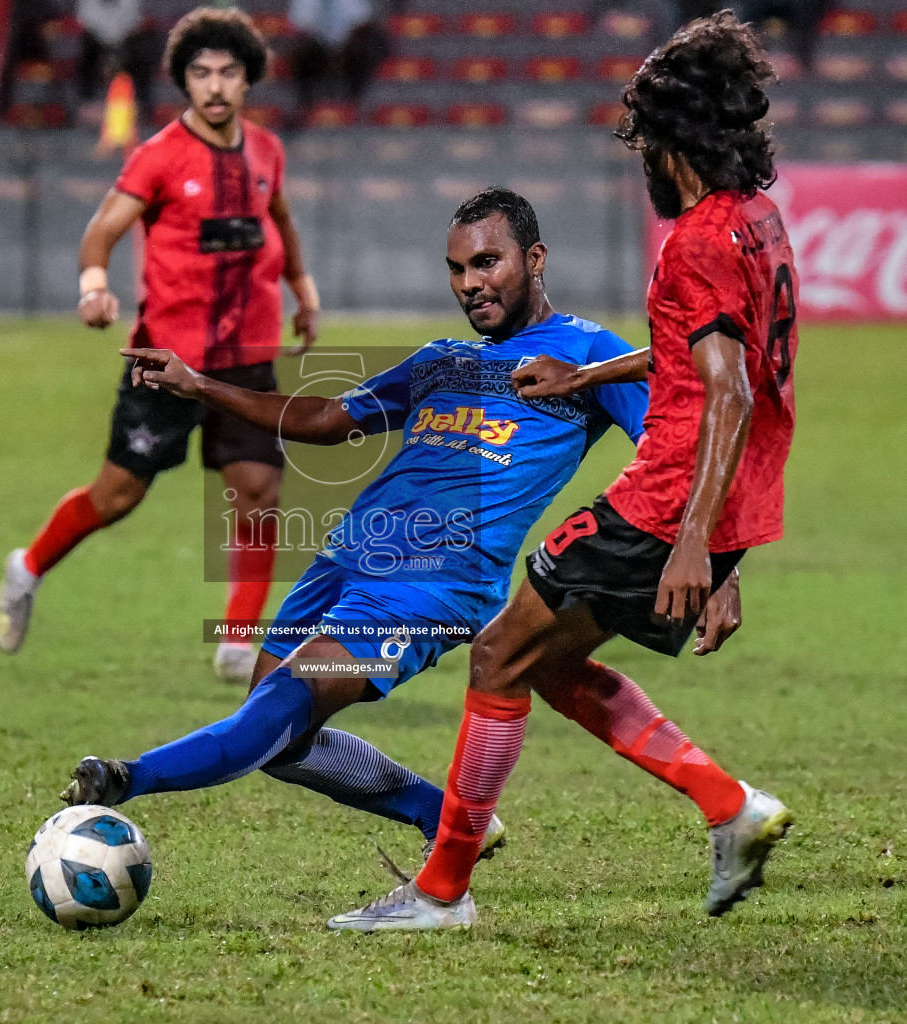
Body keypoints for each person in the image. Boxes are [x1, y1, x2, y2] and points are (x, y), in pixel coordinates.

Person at [58, 188, 752, 882]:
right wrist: (199, 384)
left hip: (435, 585)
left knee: (271, 715)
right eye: (456, 269)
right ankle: (442, 817)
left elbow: (677, 448)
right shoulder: (440, 358)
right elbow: (331, 419)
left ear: (534, 259)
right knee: (281, 742)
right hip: (344, 563)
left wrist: (722, 564)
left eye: (487, 262)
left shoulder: (589, 353)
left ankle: (124, 778)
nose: (470, 284)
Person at [329, 11, 800, 932]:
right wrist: (587, 377)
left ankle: (442, 892)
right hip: (722, 494)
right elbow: (703, 359)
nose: (644, 161)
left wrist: (698, 545)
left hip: (667, 495)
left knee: (501, 650)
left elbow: (729, 391)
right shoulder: (757, 222)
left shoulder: (698, 240)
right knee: (544, 662)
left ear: (674, 140)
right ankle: (727, 806)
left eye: (647, 142)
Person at [0, 6, 321, 685]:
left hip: (249, 355)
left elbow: (279, 219)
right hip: (167, 360)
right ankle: (28, 567)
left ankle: (237, 642)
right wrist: (92, 288)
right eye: (202, 73)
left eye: (229, 72)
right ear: (184, 82)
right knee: (117, 495)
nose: (216, 86)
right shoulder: (159, 156)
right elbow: (100, 234)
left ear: (248, 78)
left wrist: (303, 289)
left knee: (259, 492)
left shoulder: (266, 150)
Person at [288, 0, 387, 123]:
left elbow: (362, 21)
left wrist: (341, 49)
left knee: (365, 48)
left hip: (348, 48)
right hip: (316, 49)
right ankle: (306, 105)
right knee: (301, 51)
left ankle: (356, 102)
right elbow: (300, 25)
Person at [75, 0, 160, 126]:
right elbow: (86, 22)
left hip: (126, 41)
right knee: (86, 52)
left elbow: (134, 22)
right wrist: (107, 42)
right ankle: (87, 101)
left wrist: (117, 42)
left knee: (142, 51)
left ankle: (142, 104)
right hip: (97, 42)